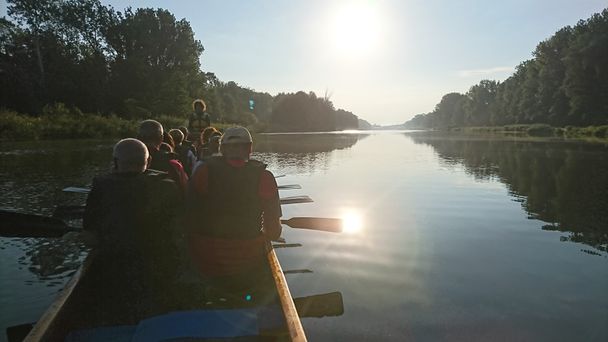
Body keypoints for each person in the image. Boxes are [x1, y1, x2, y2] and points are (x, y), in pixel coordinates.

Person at [82, 138, 182, 321]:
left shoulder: (101, 186)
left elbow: (89, 235)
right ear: (149, 161)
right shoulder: (168, 185)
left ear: (115, 163)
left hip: (117, 267)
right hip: (161, 266)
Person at [186, 126, 282, 296]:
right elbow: (274, 232)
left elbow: (189, 216)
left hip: (207, 258)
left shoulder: (203, 172)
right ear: (250, 149)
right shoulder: (265, 177)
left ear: (222, 150)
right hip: (247, 260)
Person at [138, 120, 188, 193]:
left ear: (138, 137)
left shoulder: (123, 159)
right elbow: (185, 189)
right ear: (161, 138)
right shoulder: (173, 164)